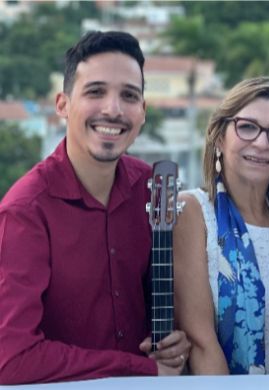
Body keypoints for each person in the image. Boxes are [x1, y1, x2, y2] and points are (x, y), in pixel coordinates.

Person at [0, 31, 190, 385]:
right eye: (95, 91)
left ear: (143, 112)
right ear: (62, 105)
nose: (113, 109)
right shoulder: (25, 211)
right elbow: (12, 360)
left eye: (129, 96)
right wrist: (136, 367)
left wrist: (173, 340)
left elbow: (161, 312)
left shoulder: (149, 189)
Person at [174, 77, 269, 375]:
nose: (262, 143)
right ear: (219, 137)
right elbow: (201, 342)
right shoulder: (194, 212)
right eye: (247, 127)